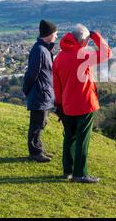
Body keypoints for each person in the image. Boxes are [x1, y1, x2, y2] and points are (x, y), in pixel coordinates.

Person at [53, 24, 111, 183]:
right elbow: (106, 53)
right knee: (82, 139)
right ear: (83, 41)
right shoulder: (83, 55)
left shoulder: (59, 58)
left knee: (69, 137)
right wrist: (96, 36)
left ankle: (68, 171)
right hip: (85, 103)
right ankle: (80, 173)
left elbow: (57, 85)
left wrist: (59, 105)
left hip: (66, 105)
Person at [22, 19, 58, 163]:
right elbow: (32, 74)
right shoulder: (39, 50)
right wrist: (27, 90)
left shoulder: (45, 49)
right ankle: (35, 153)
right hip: (39, 94)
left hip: (44, 93)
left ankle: (39, 150)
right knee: (37, 124)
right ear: (49, 34)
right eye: (55, 33)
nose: (56, 36)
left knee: (41, 123)